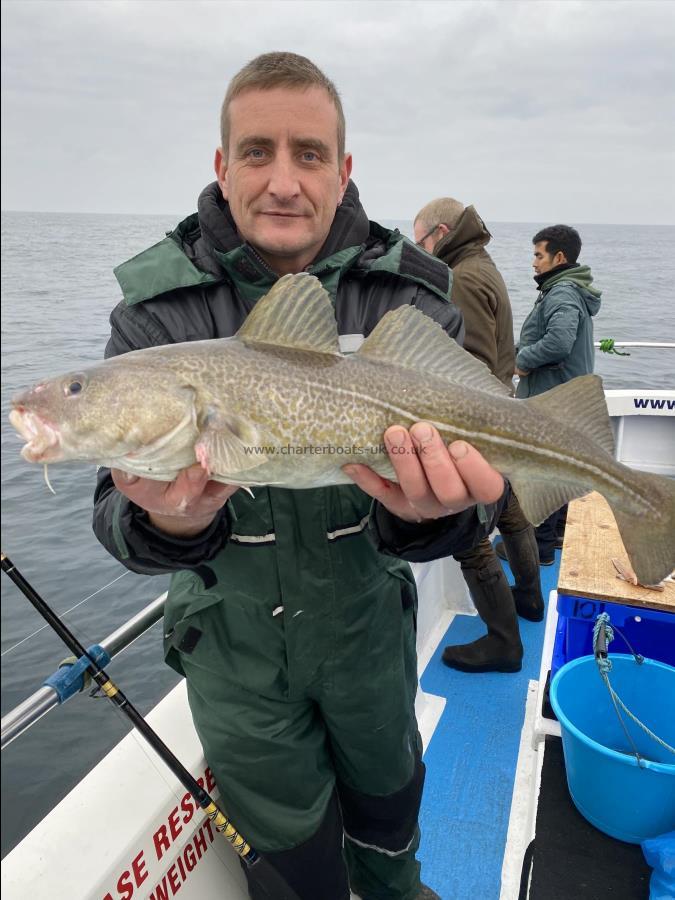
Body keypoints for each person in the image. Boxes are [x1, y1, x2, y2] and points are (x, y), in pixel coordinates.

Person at [92, 53, 507, 900]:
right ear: (221, 165)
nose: (282, 181)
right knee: (290, 862)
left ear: (344, 169)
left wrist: (436, 515)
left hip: (367, 632)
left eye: (308, 154)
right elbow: (113, 513)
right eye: (256, 152)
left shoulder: (410, 295)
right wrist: (169, 523)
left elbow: (469, 516)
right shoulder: (153, 314)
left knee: (391, 821)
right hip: (233, 655)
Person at [413, 201, 544, 675]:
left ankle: (503, 642)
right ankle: (530, 599)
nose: (418, 250)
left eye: (421, 241)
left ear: (441, 233)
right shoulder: (481, 265)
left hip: (475, 423)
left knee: (469, 533)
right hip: (500, 413)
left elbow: (472, 364)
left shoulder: (460, 277)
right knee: (509, 509)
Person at [507, 224, 602, 563]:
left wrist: (521, 360)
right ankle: (557, 534)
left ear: (558, 257)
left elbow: (559, 342)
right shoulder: (568, 289)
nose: (534, 263)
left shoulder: (561, 291)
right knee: (559, 468)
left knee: (542, 471)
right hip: (565, 395)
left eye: (538, 255)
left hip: (552, 398)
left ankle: (540, 548)